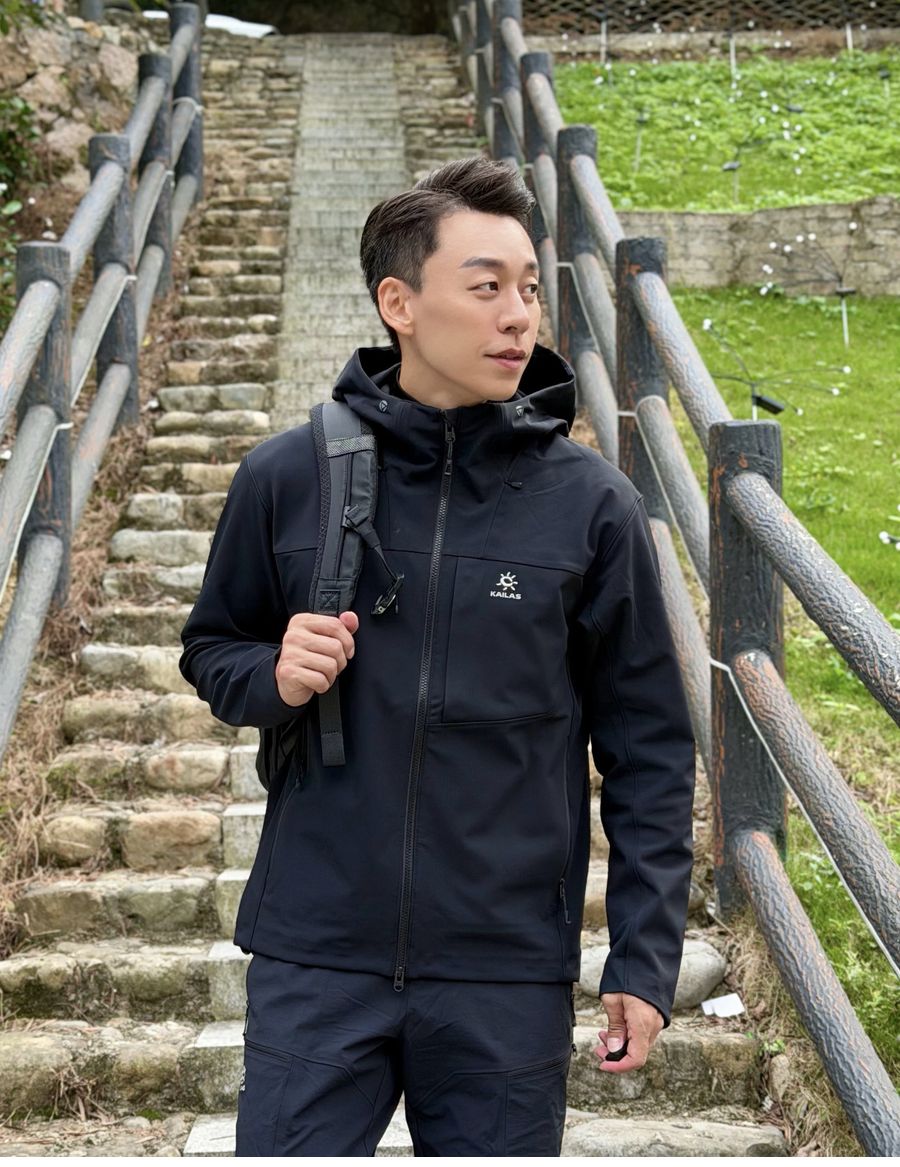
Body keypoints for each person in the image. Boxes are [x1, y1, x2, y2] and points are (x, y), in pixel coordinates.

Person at [179, 155, 696, 1157]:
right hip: (317, 954)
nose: (519, 316)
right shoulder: (287, 477)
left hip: (505, 968)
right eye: (486, 286)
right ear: (399, 303)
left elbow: (651, 750)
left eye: (530, 288)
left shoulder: (593, 506)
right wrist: (273, 676)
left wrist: (643, 959)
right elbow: (212, 649)